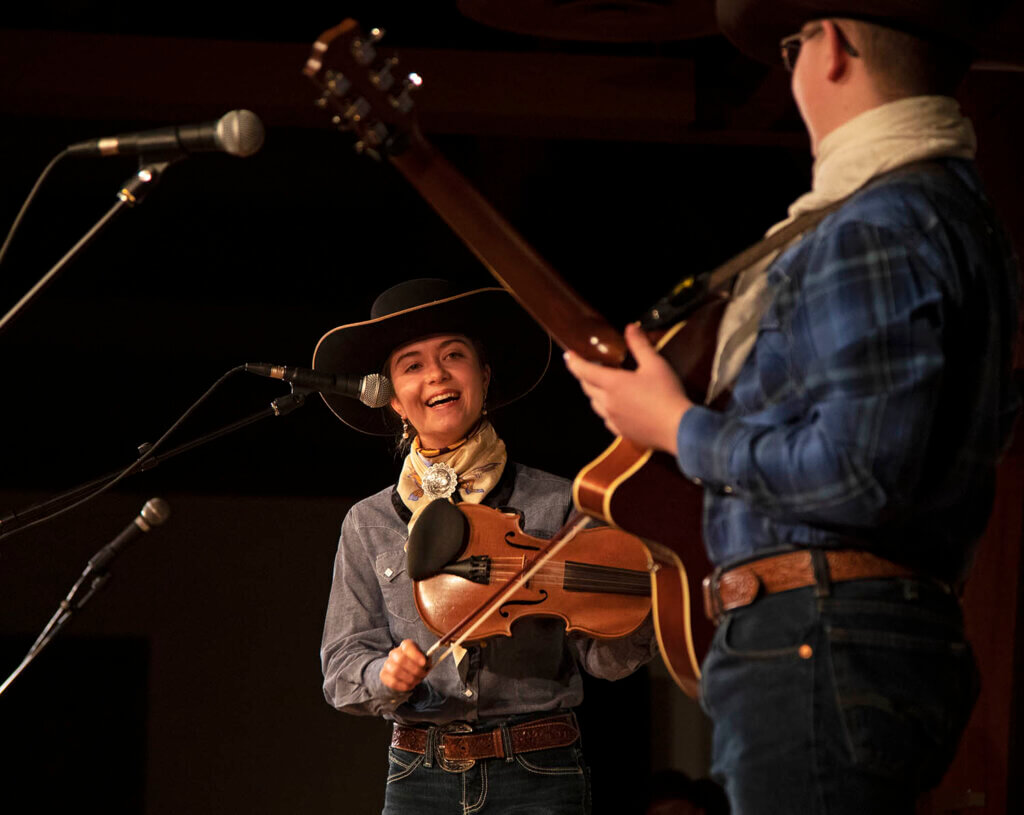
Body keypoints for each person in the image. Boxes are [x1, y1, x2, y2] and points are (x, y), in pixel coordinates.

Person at [564, 2, 1020, 814]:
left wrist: (674, 426)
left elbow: (860, 472)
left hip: (822, 634)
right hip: (858, 634)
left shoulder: (873, 224)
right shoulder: (951, 212)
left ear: (833, 46)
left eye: (792, 43)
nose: (791, 66)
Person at [317, 278, 657, 814]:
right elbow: (341, 665)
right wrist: (381, 675)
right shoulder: (369, 522)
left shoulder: (561, 502)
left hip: (539, 769)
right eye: (411, 365)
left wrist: (643, 603)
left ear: (484, 376)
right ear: (394, 400)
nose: (436, 374)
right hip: (417, 773)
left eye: (454, 355)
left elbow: (602, 661)